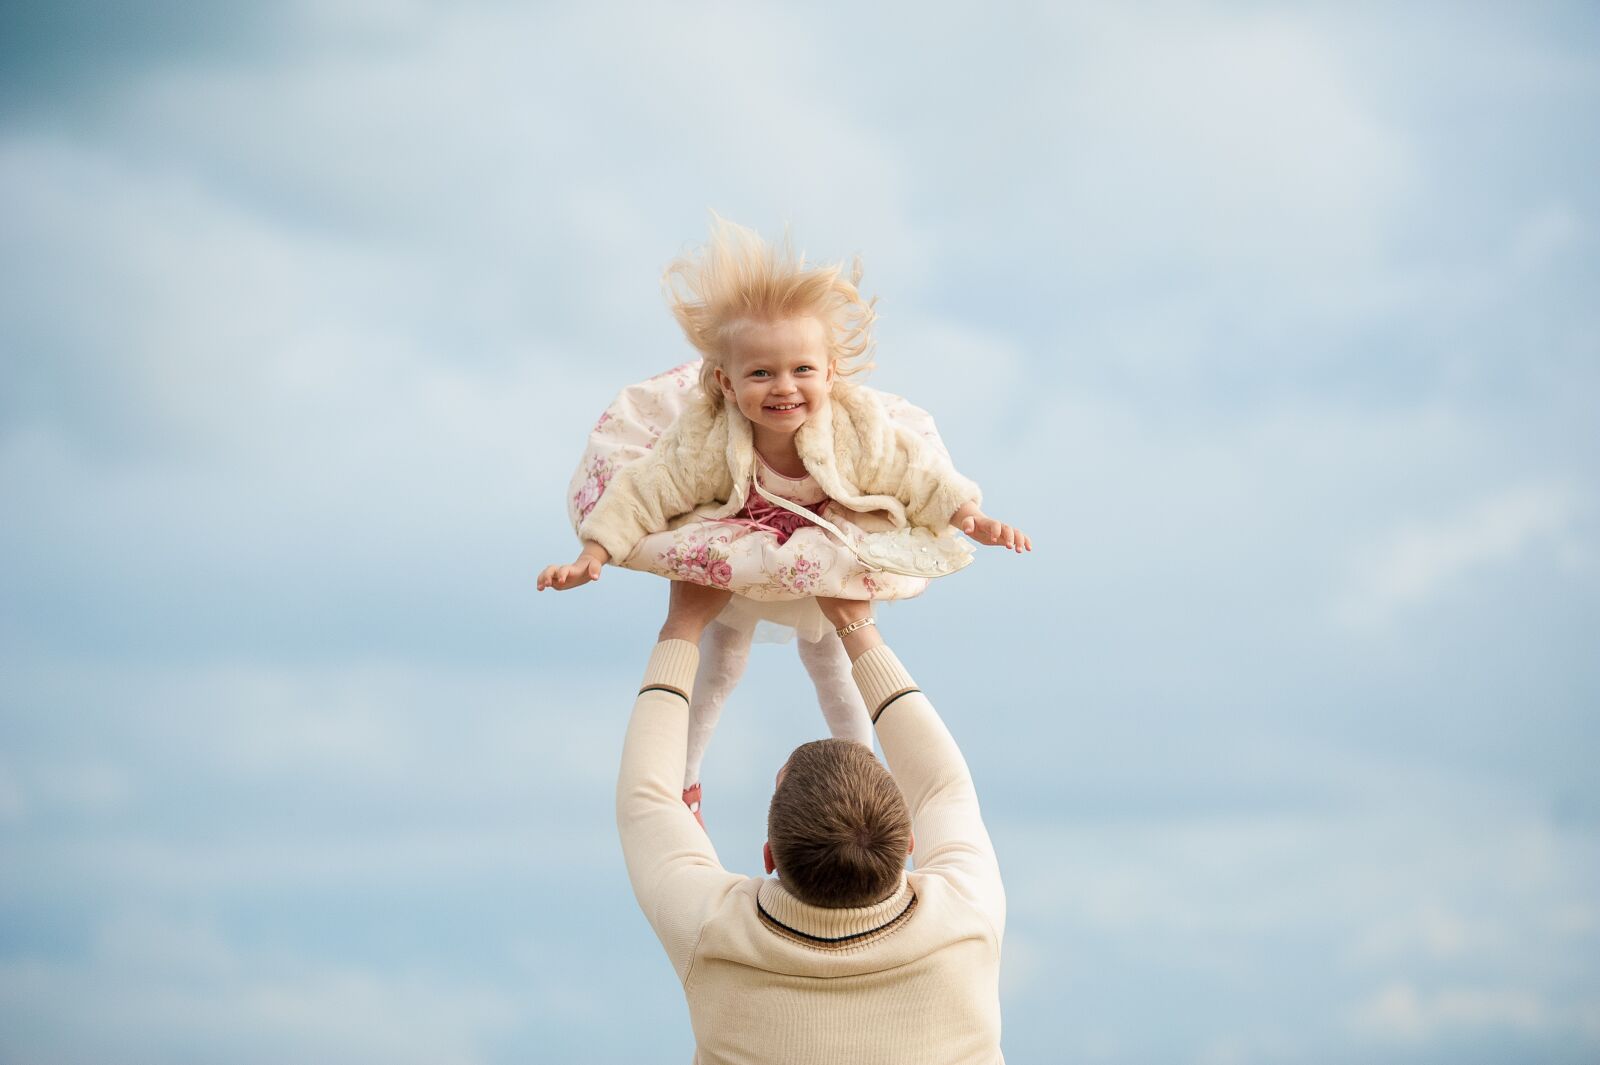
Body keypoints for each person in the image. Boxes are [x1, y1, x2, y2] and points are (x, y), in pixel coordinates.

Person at [539, 216, 1029, 824]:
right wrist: (594, 553)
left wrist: (969, 514)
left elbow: (911, 470)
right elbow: (647, 488)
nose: (783, 389)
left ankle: (861, 786)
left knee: (831, 660)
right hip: (737, 542)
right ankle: (684, 785)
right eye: (760, 373)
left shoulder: (853, 428)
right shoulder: (707, 435)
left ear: (829, 374)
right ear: (725, 381)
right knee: (722, 658)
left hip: (823, 543)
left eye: (801, 370)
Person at [618, 580, 1006, 1063]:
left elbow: (649, 801)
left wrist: (683, 624)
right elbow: (943, 784)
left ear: (770, 858)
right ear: (910, 842)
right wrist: (858, 627)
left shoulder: (715, 933)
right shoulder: (964, 918)